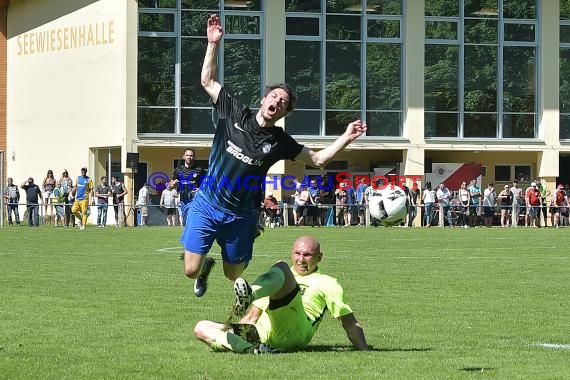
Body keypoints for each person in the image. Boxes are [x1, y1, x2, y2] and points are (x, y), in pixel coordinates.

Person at [182, 13, 367, 298]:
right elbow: (207, 80)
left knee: (233, 274)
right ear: (263, 100)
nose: (277, 102)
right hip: (207, 202)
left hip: (241, 213)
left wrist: (346, 136)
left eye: (283, 103)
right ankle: (204, 267)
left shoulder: (280, 141)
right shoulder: (233, 112)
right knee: (190, 269)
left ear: (284, 112)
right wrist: (212, 43)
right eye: (274, 97)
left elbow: (318, 160)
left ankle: (246, 235)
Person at [194, 236, 370, 354]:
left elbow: (349, 323)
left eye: (307, 255)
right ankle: (252, 349)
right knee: (201, 327)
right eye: (297, 253)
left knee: (281, 267)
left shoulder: (327, 282)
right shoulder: (276, 280)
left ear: (319, 257)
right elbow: (252, 316)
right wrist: (239, 332)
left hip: (295, 331)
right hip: (263, 335)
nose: (301, 259)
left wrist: (364, 350)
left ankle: (251, 292)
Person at [172, 148, 205, 226]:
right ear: (184, 156)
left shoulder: (199, 170)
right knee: (186, 222)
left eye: (191, 155)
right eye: (187, 155)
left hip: (195, 199)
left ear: (194, 157)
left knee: (193, 221)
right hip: (184, 200)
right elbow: (170, 186)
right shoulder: (178, 170)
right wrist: (173, 184)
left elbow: (206, 184)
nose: (189, 157)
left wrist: (200, 189)